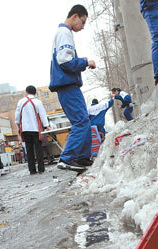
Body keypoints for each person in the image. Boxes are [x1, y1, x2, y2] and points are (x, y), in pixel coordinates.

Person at [49, 4, 96, 172]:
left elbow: (65, 59)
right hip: (67, 85)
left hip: (67, 85)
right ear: (75, 16)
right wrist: (85, 62)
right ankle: (68, 158)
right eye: (82, 22)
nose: (82, 27)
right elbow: (65, 61)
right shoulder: (64, 33)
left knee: (84, 121)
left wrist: (81, 61)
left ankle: (82, 158)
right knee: (81, 121)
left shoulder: (63, 33)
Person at [15, 85, 50, 174]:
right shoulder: (38, 102)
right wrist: (46, 125)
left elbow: (17, 115)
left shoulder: (21, 102)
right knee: (38, 149)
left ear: (26, 92)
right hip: (36, 129)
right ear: (35, 93)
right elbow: (42, 115)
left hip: (25, 129)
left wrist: (18, 124)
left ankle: (32, 170)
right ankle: (41, 169)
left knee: (29, 149)